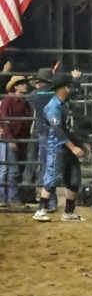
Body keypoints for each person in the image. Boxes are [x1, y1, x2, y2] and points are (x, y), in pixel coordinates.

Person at [32, 74, 89, 222]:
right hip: (57, 147)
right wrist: (74, 147)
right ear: (62, 87)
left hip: (67, 146)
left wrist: (80, 143)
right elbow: (59, 131)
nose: (71, 87)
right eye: (68, 85)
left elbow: (69, 129)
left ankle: (69, 212)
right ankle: (41, 209)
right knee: (53, 178)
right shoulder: (53, 107)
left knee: (74, 179)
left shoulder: (65, 104)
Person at [0, 76, 33, 208]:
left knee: (16, 169)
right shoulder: (8, 101)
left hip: (21, 139)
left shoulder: (25, 102)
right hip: (12, 139)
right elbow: (5, 121)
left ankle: (8, 197)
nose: (25, 85)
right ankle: (11, 198)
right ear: (16, 87)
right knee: (13, 170)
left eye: (25, 83)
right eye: (21, 84)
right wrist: (11, 139)